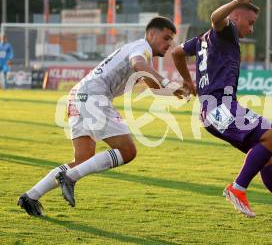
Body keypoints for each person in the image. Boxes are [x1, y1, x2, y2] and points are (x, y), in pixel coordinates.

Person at [172, 0, 272, 223]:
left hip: (213, 110)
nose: (251, 29)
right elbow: (215, 19)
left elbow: (177, 53)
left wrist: (189, 82)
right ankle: (237, 188)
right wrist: (236, 1)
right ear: (235, 17)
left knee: (264, 155)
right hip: (220, 107)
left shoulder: (201, 40)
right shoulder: (226, 31)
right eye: (249, 22)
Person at [18, 17, 186, 216]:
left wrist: (182, 90)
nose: (169, 44)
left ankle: (31, 196)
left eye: (171, 40)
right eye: (166, 38)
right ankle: (69, 178)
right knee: (127, 151)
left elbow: (155, 89)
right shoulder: (142, 48)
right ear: (151, 34)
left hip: (78, 95)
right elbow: (138, 63)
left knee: (82, 160)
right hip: (94, 96)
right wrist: (168, 83)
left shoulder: (140, 53)